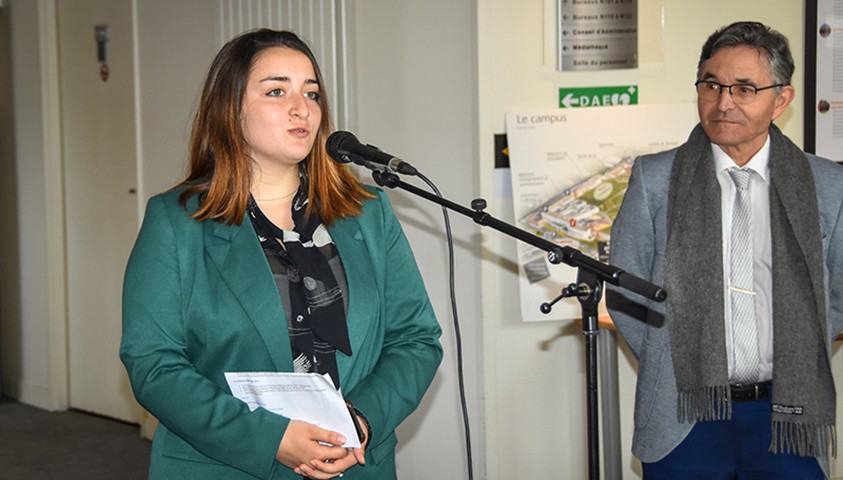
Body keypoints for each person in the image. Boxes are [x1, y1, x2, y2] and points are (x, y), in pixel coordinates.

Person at [120, 29, 443, 480]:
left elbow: (416, 339)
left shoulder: (368, 213)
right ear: (230, 110)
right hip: (224, 466)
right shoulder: (175, 222)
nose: (302, 108)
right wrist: (271, 439)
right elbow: (153, 362)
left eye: (311, 93)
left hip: (355, 464)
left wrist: (362, 420)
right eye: (276, 91)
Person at [607, 21, 843, 479]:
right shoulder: (655, 178)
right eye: (711, 85)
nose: (723, 102)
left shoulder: (826, 184)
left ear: (782, 100)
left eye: (744, 88)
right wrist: (672, 355)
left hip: (786, 410)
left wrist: (801, 347)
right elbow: (625, 286)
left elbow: (838, 292)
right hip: (684, 412)